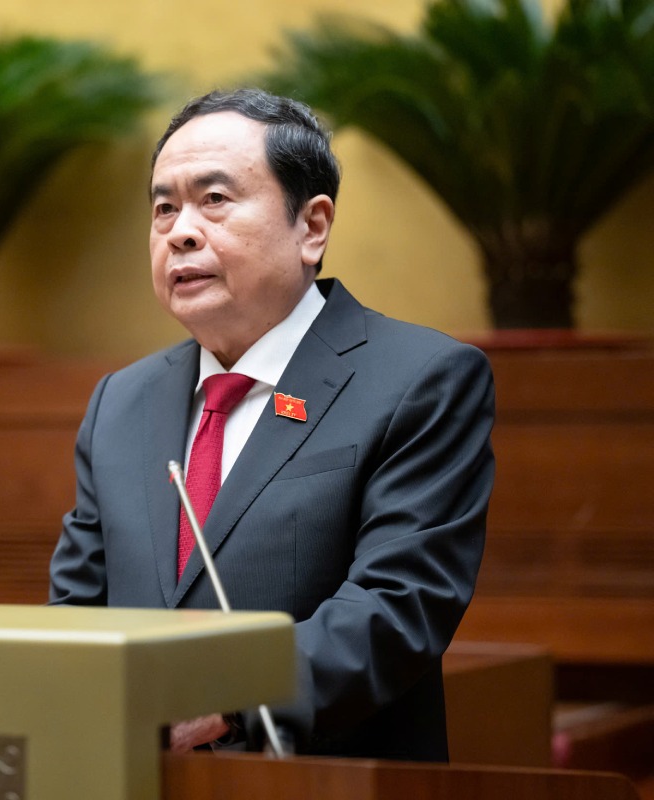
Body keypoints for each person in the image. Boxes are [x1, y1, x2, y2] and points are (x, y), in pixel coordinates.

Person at [48, 88, 495, 761]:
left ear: (311, 227)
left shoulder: (420, 379)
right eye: (164, 207)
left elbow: (398, 607)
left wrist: (226, 696)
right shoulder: (122, 402)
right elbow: (77, 611)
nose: (181, 230)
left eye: (215, 199)